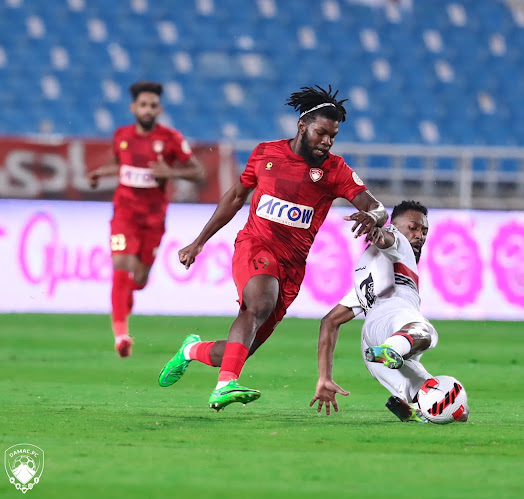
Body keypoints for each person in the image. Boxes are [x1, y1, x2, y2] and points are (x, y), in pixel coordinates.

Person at [158, 85, 388, 411]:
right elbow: (236, 197)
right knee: (258, 304)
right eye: (321, 133)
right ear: (302, 126)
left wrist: (373, 216)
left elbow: (377, 206)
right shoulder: (266, 154)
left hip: (292, 268)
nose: (327, 142)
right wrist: (199, 242)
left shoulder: (335, 171)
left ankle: (190, 351)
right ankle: (225, 386)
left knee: (240, 349)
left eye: (332, 137)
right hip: (255, 245)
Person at [310, 200, 467, 423]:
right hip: (397, 317)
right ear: (395, 226)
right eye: (413, 227)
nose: (419, 236)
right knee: (426, 333)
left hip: (371, 339)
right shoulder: (398, 242)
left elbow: (329, 322)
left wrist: (324, 377)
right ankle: (393, 348)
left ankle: (418, 407)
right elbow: (386, 238)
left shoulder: (365, 272)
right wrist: (376, 228)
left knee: (454, 408)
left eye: (424, 231)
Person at [87, 81, 205, 358]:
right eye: (143, 105)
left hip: (153, 219)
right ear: (133, 108)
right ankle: (121, 336)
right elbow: (122, 164)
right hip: (124, 214)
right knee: (120, 267)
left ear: (159, 108)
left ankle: (127, 298)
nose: (148, 109)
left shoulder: (171, 139)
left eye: (153, 105)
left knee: (138, 280)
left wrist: (170, 173)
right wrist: (100, 173)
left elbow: (197, 172)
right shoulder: (122, 135)